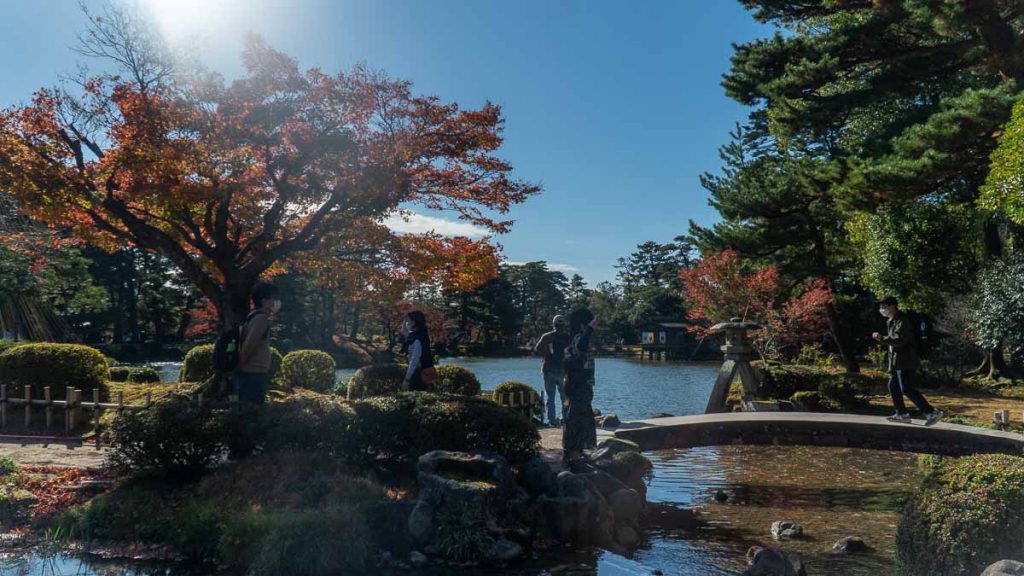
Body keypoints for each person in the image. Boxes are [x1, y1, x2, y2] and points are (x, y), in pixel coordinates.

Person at [872, 296, 943, 426]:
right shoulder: (892, 321)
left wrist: (881, 338)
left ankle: (932, 412)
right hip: (897, 362)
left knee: (907, 389)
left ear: (892, 306)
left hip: (906, 360)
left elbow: (900, 340)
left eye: (884, 306)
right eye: (881, 306)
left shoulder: (902, 321)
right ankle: (901, 414)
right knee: (893, 386)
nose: (881, 309)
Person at [562, 307, 599, 467]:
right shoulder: (579, 337)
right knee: (578, 419)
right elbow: (582, 347)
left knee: (577, 417)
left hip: (572, 382)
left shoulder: (570, 338)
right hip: (580, 384)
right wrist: (590, 328)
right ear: (584, 323)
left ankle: (574, 453)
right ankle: (574, 455)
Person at [235, 282, 280, 404]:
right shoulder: (261, 319)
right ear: (264, 301)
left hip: (252, 372)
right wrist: (240, 365)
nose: (276, 302)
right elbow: (249, 344)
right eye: (273, 299)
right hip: (253, 373)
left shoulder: (253, 317)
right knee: (252, 412)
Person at [533, 315, 571, 426]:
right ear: (563, 325)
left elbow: (537, 348)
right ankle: (566, 419)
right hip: (563, 371)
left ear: (553, 324)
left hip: (548, 370)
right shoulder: (568, 338)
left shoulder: (547, 336)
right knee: (565, 397)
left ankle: (552, 421)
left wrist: (547, 354)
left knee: (551, 397)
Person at [401, 310, 436, 392]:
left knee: (416, 397)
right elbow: (403, 332)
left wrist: (407, 379)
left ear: (413, 323)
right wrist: (405, 319)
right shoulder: (418, 334)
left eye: (408, 321)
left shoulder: (416, 339)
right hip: (422, 371)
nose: (406, 323)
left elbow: (415, 360)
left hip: (419, 373)